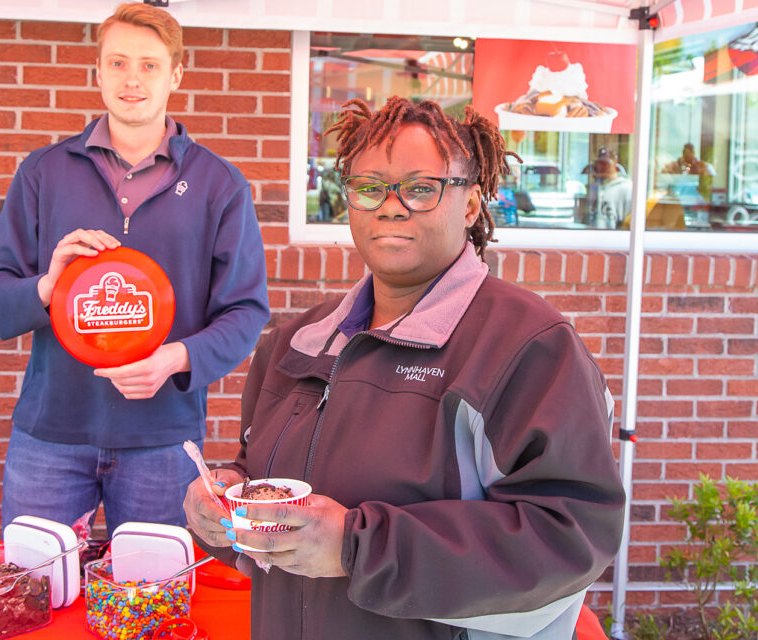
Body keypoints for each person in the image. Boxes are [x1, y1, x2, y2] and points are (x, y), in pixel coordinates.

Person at [184, 96, 626, 640]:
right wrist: (227, 503)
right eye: (370, 187)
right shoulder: (295, 343)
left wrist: (356, 547)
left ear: (471, 204)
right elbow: (264, 480)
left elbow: (567, 537)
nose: (391, 207)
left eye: (420, 188)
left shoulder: (527, 346)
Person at [0, 2, 269, 536]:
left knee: (154, 588)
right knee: (38, 584)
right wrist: (49, 285)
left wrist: (175, 359)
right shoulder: (44, 172)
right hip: (50, 435)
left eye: (149, 65)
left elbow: (246, 311)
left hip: (163, 439)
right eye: (118, 63)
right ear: (98, 71)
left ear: (175, 75)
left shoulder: (220, 184)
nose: (132, 79)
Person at [588, 148, 633, 229]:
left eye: (605, 163)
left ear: (615, 162)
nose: (601, 167)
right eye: (599, 163)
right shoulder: (596, 187)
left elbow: (630, 221)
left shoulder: (627, 187)